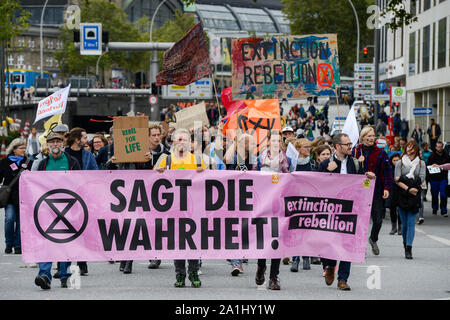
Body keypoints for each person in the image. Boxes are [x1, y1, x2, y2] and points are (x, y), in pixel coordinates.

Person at [319, 133, 368, 290]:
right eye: (347, 144)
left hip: (350, 208)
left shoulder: (355, 163)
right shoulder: (327, 163)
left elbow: (361, 182)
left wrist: (368, 177)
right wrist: (327, 171)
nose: (350, 146)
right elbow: (317, 185)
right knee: (332, 241)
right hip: (331, 209)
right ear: (337, 146)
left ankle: (343, 279)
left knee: (347, 243)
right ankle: (330, 266)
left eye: (350, 143)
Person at [157, 128, 205, 288]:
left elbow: (208, 181)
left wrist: (203, 173)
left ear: (190, 142)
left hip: (193, 207)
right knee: (177, 241)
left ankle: (193, 271)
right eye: (178, 139)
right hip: (174, 207)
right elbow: (151, 178)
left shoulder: (197, 159)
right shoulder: (166, 159)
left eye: (184, 139)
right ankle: (180, 274)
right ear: (173, 142)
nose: (181, 142)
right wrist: (159, 172)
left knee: (192, 240)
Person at [34, 132, 81, 290]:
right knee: (45, 241)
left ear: (63, 144)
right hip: (47, 209)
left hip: (68, 208)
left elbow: (80, 184)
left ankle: (64, 273)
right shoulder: (42, 164)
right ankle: (45, 275)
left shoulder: (72, 162)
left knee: (65, 242)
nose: (55, 144)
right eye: (52, 142)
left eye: (58, 142)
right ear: (47, 145)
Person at [254, 130, 290, 290]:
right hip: (262, 203)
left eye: (278, 141)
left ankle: (274, 277)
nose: (276, 143)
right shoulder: (260, 157)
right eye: (273, 140)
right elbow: (253, 176)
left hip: (278, 204)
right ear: (268, 141)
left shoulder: (286, 159)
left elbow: (291, 177)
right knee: (263, 238)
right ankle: (261, 267)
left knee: (276, 239)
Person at [64, 128, 98, 276]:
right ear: (77, 140)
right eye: (84, 137)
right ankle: (63, 263)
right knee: (66, 231)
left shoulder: (88, 155)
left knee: (82, 230)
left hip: (83, 197)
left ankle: (82, 262)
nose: (87, 140)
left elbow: (95, 172)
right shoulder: (64, 154)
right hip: (65, 197)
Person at [353, 126, 393, 256]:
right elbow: (349, 170)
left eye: (373, 135)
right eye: (368, 136)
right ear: (363, 137)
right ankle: (360, 246)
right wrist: (357, 162)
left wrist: (387, 188)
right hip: (359, 192)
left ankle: (373, 239)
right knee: (361, 221)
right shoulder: (355, 151)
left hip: (376, 190)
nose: (371, 138)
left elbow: (387, 172)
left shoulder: (381, 152)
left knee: (378, 220)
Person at [145, 124, 171, 269]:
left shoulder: (167, 153)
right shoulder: (141, 152)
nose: (156, 138)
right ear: (148, 136)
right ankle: (154, 255)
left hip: (163, 194)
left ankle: (159, 253)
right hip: (146, 193)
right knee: (150, 226)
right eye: (153, 135)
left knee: (162, 227)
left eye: (158, 135)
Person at [0, 138, 32, 254]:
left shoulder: (29, 162)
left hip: (24, 196)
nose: (24, 150)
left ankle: (18, 245)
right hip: (9, 197)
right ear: (14, 149)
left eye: (24, 147)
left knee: (20, 222)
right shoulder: (4, 162)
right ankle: (9, 243)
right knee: (9, 219)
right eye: (21, 148)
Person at [394, 140, 426, 259]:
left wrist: (404, 179)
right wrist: (408, 188)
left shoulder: (421, 163)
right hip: (402, 194)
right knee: (404, 224)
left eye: (412, 147)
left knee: (411, 223)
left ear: (416, 149)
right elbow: (397, 180)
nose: (410, 149)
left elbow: (421, 179)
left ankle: (409, 248)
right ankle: (405, 242)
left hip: (415, 195)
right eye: (408, 147)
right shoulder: (400, 163)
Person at [290, 138, 314, 271]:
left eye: (310, 146)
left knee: (306, 229)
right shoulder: (291, 163)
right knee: (295, 229)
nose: (309, 149)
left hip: (309, 199)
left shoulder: (313, 163)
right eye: (306, 147)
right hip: (294, 198)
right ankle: (295, 258)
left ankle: (306, 257)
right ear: (298, 149)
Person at [427, 141, 449, 217]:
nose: (439, 148)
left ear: (442, 147)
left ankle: (444, 210)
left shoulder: (446, 156)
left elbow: (448, 166)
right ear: (436, 147)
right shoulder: (432, 156)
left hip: (443, 178)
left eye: (441, 147)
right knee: (434, 195)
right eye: (438, 147)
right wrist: (428, 179)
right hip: (434, 179)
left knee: (443, 194)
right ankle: (435, 208)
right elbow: (428, 168)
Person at [387, 154, 402, 234]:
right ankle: (393, 227)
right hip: (392, 190)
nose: (396, 162)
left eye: (397, 160)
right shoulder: (389, 168)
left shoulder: (403, 168)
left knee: (400, 209)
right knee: (392, 209)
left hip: (401, 190)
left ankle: (400, 227)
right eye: (394, 160)